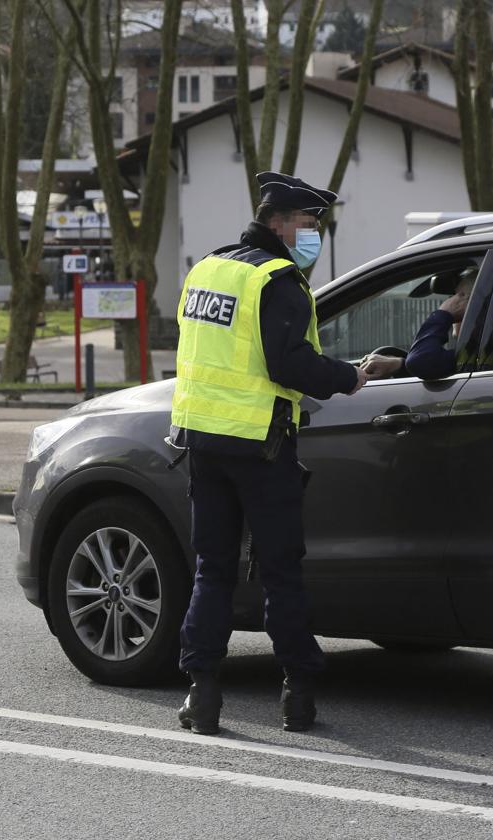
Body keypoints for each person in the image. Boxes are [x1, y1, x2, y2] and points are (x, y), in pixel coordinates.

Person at [171, 171, 367, 735]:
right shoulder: (277, 279)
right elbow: (289, 365)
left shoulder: (207, 268)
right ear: (278, 222)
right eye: (308, 225)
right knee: (281, 572)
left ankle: (202, 695)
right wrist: (348, 377)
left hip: (202, 443)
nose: (314, 236)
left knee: (213, 570)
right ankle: (297, 694)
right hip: (261, 444)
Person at [361, 273, 493, 381]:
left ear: (482, 309)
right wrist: (398, 364)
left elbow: (423, 362)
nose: (452, 302)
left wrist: (442, 315)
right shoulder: (481, 353)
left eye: (461, 297)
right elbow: (439, 364)